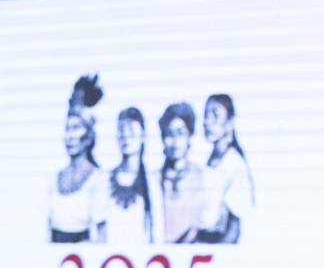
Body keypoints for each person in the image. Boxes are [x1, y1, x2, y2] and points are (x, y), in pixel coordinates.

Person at [93, 107, 163, 243]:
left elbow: (157, 233)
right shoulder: (104, 179)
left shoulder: (151, 183)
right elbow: (97, 228)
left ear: (142, 136)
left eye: (131, 131)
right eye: (121, 131)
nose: (125, 137)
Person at [153, 102, 219, 243]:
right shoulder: (153, 180)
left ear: (189, 136)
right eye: (169, 134)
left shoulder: (205, 177)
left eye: (181, 133)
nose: (175, 141)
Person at [48, 75, 103, 242]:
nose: (70, 136)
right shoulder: (55, 178)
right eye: (68, 129)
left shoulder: (98, 178)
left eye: (76, 128)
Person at [199, 93, 252, 243]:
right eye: (206, 115)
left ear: (229, 122)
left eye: (215, 116)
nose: (207, 122)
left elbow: (234, 228)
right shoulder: (209, 161)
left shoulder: (234, 164)